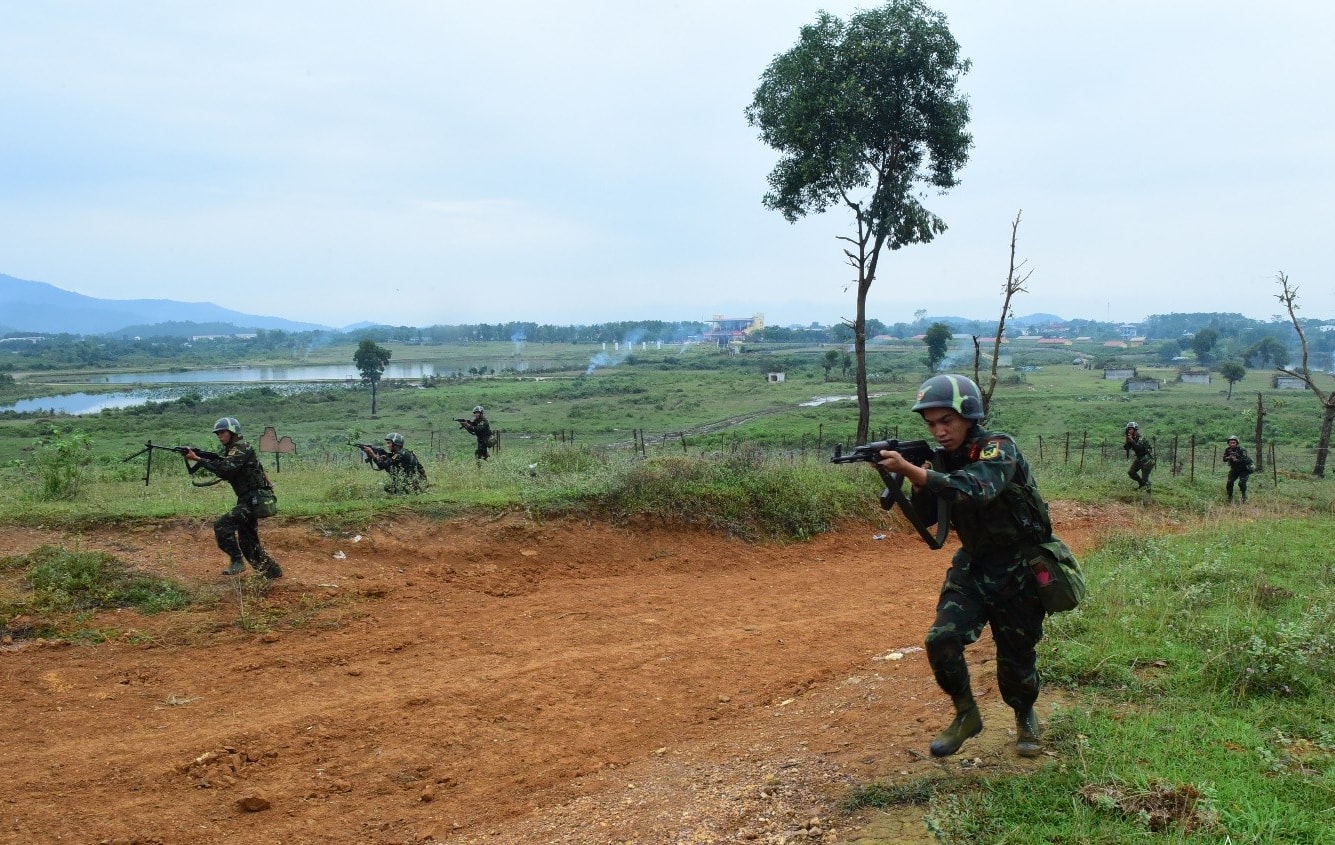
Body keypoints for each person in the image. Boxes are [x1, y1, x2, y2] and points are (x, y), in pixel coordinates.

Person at [876, 374, 1066, 759]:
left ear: (969, 416)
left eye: (947, 421)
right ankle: (966, 714)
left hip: (1018, 567)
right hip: (974, 565)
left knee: (1016, 656)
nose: (940, 431)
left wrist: (918, 472)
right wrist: (913, 479)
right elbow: (930, 517)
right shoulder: (943, 460)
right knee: (941, 640)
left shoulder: (998, 447)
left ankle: (1024, 713)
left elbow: (977, 487)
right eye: (931, 424)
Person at [184, 417, 282, 579]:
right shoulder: (234, 450)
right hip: (248, 499)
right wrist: (202, 459)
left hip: (253, 500)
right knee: (247, 542)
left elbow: (227, 469)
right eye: (218, 434)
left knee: (222, 526)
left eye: (222, 433)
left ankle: (237, 561)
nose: (219, 436)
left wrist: (199, 459)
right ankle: (272, 573)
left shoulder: (241, 448)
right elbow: (226, 467)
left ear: (233, 432)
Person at [360, 432, 427, 494]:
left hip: (417, 483)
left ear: (396, 443)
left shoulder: (400, 454)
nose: (387, 445)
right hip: (415, 481)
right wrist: (384, 457)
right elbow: (388, 464)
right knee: (389, 484)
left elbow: (382, 466)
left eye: (389, 443)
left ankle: (412, 492)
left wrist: (372, 454)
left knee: (388, 487)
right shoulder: (401, 453)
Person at [1124, 421, 1155, 489]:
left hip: (1147, 459)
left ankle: (1148, 494)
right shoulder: (1132, 437)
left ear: (1135, 430)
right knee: (1131, 472)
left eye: (1131, 429)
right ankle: (1141, 484)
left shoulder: (1141, 438)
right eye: (1128, 429)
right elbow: (1126, 448)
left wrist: (1131, 440)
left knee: (1145, 479)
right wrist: (1127, 440)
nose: (1129, 431)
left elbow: (1139, 448)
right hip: (1139, 458)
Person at [1223, 435, 1252, 503]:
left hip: (1244, 469)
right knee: (1229, 482)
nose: (1232, 444)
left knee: (1241, 483)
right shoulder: (1227, 450)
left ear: (1237, 443)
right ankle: (1230, 497)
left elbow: (1246, 460)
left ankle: (1244, 497)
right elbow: (1224, 459)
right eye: (1230, 442)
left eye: (1234, 442)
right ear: (1228, 443)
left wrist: (1237, 460)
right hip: (1234, 469)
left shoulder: (1242, 449)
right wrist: (1228, 457)